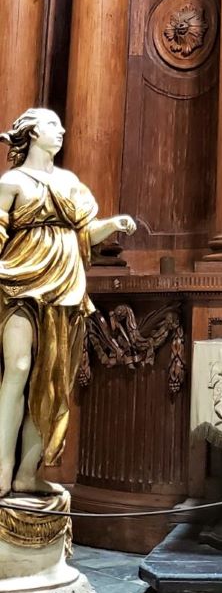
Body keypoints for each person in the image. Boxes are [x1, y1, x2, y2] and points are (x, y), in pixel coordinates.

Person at [0, 108, 136, 497]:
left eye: (61, 126)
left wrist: (112, 224)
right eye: (52, 125)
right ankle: (2, 467)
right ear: (31, 132)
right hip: (18, 283)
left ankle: (28, 471)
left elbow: (86, 233)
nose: (61, 132)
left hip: (64, 286)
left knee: (53, 381)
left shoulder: (70, 183)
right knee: (18, 368)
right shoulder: (12, 182)